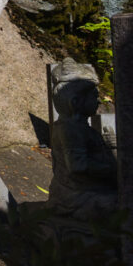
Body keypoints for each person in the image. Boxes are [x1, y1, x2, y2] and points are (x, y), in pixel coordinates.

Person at [48, 57, 117, 222]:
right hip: (75, 197)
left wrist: (111, 147)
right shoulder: (70, 129)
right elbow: (78, 166)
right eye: (94, 96)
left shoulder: (80, 128)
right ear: (75, 102)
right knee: (124, 206)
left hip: (90, 190)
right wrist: (112, 168)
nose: (99, 100)